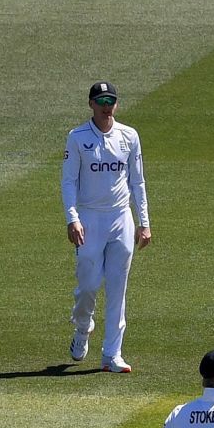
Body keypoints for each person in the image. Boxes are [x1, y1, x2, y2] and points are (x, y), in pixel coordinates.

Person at [63, 81, 150, 373]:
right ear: (90, 104)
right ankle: (82, 327)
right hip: (89, 218)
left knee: (117, 288)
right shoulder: (77, 137)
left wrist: (144, 223)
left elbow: (137, 181)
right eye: (100, 101)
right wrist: (72, 218)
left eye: (110, 100)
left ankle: (112, 354)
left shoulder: (129, 136)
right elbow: (69, 182)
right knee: (88, 285)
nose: (105, 106)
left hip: (120, 218)